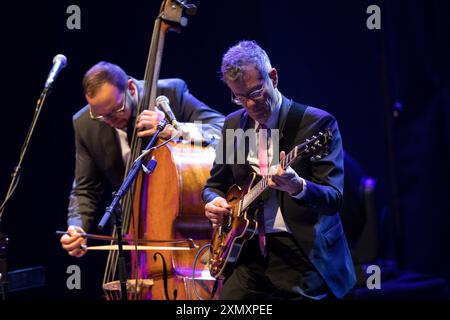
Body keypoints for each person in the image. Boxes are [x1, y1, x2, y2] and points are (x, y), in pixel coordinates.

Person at [202, 41, 356, 299]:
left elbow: (333, 200)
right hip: (248, 252)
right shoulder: (232, 125)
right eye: (239, 97)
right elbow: (213, 186)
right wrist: (214, 201)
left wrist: (298, 187)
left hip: (303, 253)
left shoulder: (316, 124)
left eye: (255, 93)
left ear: (273, 77)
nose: (249, 105)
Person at [61, 61, 224, 257]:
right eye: (101, 116)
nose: (110, 120)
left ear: (130, 87)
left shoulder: (170, 93)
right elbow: (84, 188)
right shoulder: (84, 124)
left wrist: (175, 129)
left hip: (176, 230)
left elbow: (224, 130)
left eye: (116, 110)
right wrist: (76, 227)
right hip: (132, 232)